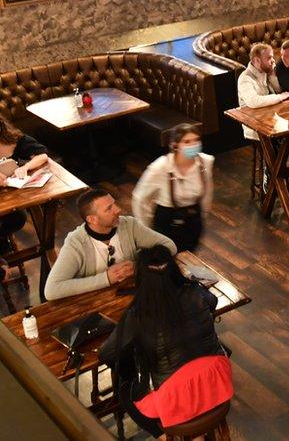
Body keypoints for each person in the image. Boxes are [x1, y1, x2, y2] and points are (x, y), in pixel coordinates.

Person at [99, 245, 232, 438]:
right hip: (216, 381)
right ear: (175, 270)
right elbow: (212, 302)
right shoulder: (195, 292)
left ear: (142, 280)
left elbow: (108, 354)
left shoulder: (138, 314)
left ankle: (162, 434)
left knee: (125, 390)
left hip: (176, 396)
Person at [44, 189, 176, 300]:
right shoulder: (76, 243)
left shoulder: (129, 225)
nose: (118, 210)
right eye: (109, 209)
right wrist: (107, 278)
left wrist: (138, 265)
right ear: (92, 219)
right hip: (93, 305)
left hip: (133, 297)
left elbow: (169, 246)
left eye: (114, 204)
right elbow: (51, 290)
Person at [131, 124, 213, 252]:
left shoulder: (206, 161)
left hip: (193, 217)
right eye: (187, 141)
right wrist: (146, 230)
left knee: (190, 255)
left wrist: (203, 215)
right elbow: (140, 198)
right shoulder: (160, 167)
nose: (193, 144)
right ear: (175, 145)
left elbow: (208, 191)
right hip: (167, 219)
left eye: (196, 140)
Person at [0, 116, 49, 255]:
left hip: (8, 200)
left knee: (18, 217)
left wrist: (25, 167)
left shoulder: (13, 139)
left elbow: (42, 155)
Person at [237, 43, 289, 141]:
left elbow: (278, 91)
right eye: (269, 58)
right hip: (255, 124)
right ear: (257, 61)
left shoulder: (265, 72)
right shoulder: (245, 78)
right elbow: (253, 101)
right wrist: (280, 97)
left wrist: (272, 75)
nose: (273, 60)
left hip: (270, 117)